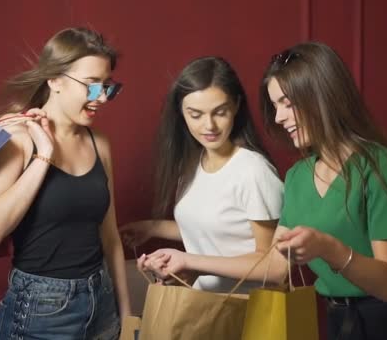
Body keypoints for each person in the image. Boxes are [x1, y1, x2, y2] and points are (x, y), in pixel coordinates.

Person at [263, 42, 387, 339]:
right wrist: (190, 263)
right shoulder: (297, 176)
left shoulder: (381, 166)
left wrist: (328, 248)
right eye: (275, 106)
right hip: (336, 322)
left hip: (385, 326)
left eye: (287, 103)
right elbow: (274, 266)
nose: (278, 118)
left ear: (322, 97)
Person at [0, 27, 130, 340]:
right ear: (55, 79)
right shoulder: (17, 139)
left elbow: (110, 235)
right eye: (91, 85)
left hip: (101, 301)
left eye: (107, 86)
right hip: (41, 310)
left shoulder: (99, 143)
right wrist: (44, 155)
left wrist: (127, 313)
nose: (101, 97)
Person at [121, 56, 286, 293]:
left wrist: (191, 262)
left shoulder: (253, 171)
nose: (209, 126)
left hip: (250, 312)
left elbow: (271, 265)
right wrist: (151, 228)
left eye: (220, 112)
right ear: (181, 113)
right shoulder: (193, 164)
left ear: (237, 105)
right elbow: (218, 229)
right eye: (195, 115)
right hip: (206, 307)